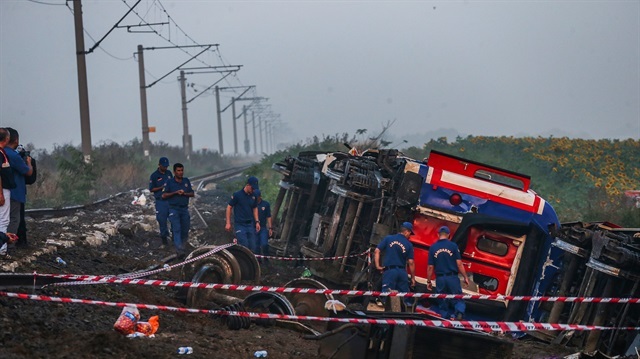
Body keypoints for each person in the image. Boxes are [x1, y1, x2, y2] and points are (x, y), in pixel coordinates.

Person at [426, 225, 470, 320]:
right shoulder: (453, 246)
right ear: (449, 235)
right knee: (458, 297)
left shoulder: (433, 248)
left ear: (438, 235)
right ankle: (459, 313)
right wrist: (465, 277)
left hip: (440, 278)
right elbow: (459, 264)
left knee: (442, 299)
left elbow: (430, 267)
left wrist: (428, 281)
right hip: (452, 278)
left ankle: (445, 318)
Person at [374, 222, 416, 309]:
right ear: (406, 232)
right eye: (410, 233)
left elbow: (377, 251)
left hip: (389, 271)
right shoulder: (409, 244)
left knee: (387, 296)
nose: (409, 236)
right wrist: (412, 278)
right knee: (404, 297)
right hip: (402, 272)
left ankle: (386, 317)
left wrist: (378, 266)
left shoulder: (389, 238)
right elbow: (411, 262)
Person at [4, 128, 33, 248]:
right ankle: (8, 246)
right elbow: (28, 172)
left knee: (3, 219)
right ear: (15, 140)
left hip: (4, 191)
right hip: (14, 192)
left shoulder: (2, 153)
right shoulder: (13, 155)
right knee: (14, 219)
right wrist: (28, 162)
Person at [162, 163, 194, 258]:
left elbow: (192, 193)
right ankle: (179, 250)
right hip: (173, 209)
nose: (180, 173)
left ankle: (182, 247)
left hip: (184, 209)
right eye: (178, 171)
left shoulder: (186, 181)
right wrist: (175, 193)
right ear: (174, 172)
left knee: (185, 229)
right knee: (177, 229)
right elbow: (163, 195)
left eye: (182, 170)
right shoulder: (169, 182)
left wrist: (184, 193)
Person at [225, 176, 260, 252]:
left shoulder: (254, 196)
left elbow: (255, 208)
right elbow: (229, 207)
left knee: (253, 246)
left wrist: (257, 221)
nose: (253, 190)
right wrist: (228, 223)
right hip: (240, 224)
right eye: (252, 188)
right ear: (248, 185)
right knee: (244, 245)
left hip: (249, 224)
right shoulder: (237, 195)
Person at [149, 157, 172, 246]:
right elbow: (151, 189)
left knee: (174, 219)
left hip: (170, 200)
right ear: (159, 165)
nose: (165, 168)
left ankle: (175, 239)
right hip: (161, 201)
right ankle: (164, 241)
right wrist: (161, 187)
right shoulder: (154, 175)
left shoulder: (169, 173)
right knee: (162, 220)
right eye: (164, 166)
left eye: (167, 166)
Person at [0, 128, 15, 233]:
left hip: (4, 188)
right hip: (3, 189)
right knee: (3, 220)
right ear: (6, 138)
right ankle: (2, 248)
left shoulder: (2, 152)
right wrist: (0, 193)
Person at [254, 189, 272, 260]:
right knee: (256, 246)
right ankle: (259, 262)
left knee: (264, 244)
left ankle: (266, 258)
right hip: (254, 228)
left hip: (263, 227)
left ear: (260, 197)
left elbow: (269, 216)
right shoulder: (251, 204)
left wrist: (270, 228)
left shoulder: (266, 204)